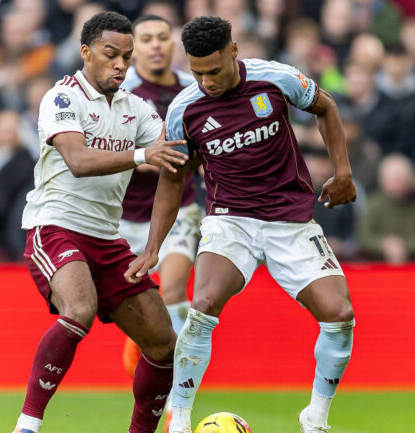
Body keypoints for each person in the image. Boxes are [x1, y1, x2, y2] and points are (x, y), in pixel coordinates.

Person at [126, 17, 357, 433]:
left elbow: (326, 106)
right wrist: (152, 247)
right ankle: (179, 419)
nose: (206, 81)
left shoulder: (275, 79)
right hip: (231, 220)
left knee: (340, 314)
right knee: (203, 304)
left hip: (291, 220)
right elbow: (173, 179)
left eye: (213, 71)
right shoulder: (184, 109)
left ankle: (315, 418)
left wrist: (343, 172)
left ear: (234, 51)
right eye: (197, 72)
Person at [14, 12, 189, 433]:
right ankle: (27, 425)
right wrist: (142, 156)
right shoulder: (61, 98)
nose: (120, 66)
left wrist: (153, 246)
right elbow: (77, 160)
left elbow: (174, 165)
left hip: (107, 239)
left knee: (163, 341)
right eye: (111, 55)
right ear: (86, 53)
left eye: (127, 58)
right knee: (79, 309)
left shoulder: (137, 110)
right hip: (54, 225)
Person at [118, 14, 200, 381]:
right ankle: (146, 343)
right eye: (146, 38)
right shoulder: (121, 93)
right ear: (135, 49)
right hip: (125, 215)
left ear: (173, 44)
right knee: (132, 304)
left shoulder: (193, 89)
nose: (155, 45)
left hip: (180, 206)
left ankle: (173, 393)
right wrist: (151, 158)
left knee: (175, 288)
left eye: (162, 37)